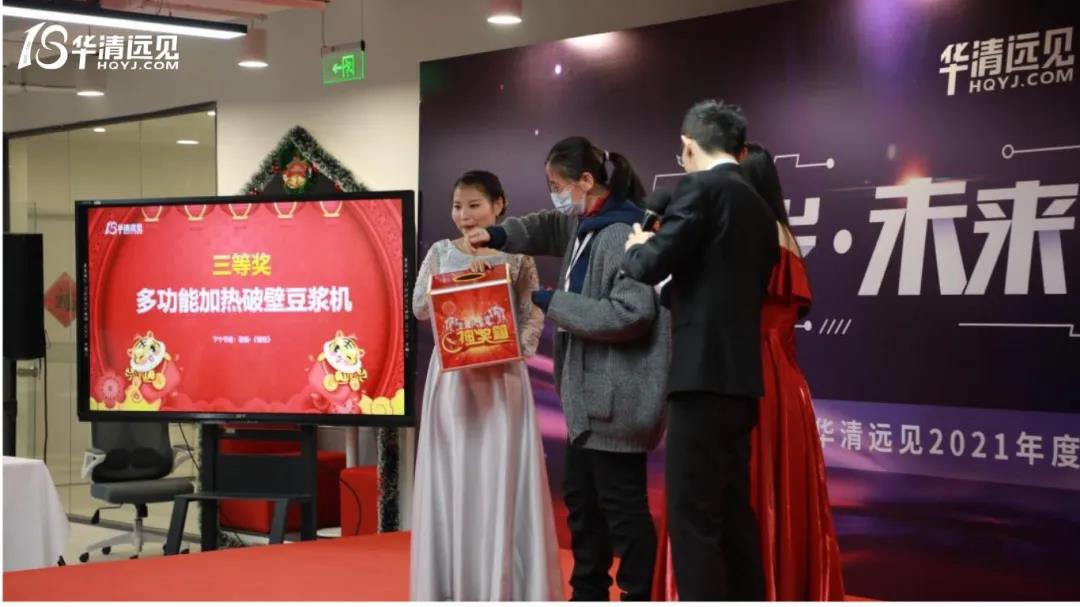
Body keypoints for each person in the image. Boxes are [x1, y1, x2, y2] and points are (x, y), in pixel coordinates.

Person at [465, 137, 669, 601]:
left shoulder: (622, 234)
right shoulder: (585, 223)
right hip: (588, 403)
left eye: (557, 186)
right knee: (582, 505)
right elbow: (546, 226)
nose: (555, 196)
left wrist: (549, 301)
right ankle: (587, 592)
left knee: (622, 510)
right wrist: (497, 235)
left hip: (617, 401)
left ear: (586, 181)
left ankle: (638, 595)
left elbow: (630, 314)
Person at [654, 144, 847, 601]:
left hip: (733, 375)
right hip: (783, 388)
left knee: (711, 501)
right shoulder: (781, 235)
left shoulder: (734, 235)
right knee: (753, 502)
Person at [622, 100, 778, 600]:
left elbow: (650, 263)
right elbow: (713, 284)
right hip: (740, 382)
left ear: (689, 145)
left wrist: (635, 249)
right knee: (732, 514)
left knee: (693, 519)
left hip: (699, 379)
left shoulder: (700, 188)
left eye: (682, 150)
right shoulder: (760, 206)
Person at [410, 170, 562, 601]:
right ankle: (451, 584)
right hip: (452, 381)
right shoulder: (441, 252)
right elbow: (420, 307)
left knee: (500, 473)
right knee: (453, 471)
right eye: (457, 206)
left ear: (499, 205)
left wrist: (516, 350)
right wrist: (461, 283)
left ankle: (502, 584)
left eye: (474, 205)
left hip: (501, 377)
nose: (464, 215)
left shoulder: (517, 257)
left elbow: (532, 311)